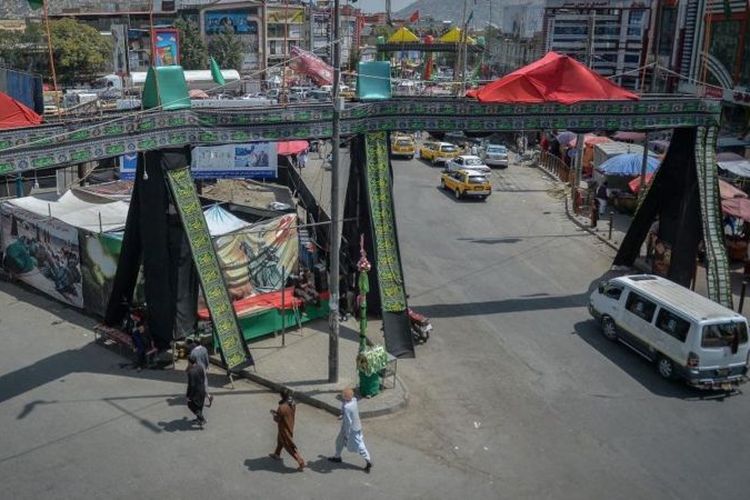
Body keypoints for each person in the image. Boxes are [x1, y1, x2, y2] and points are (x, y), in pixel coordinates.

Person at [328, 388, 372, 473]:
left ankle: (368, 461)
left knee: (359, 445)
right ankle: (337, 456)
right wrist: (342, 415)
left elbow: (348, 422)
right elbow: (347, 414)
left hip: (350, 429)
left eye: (343, 396)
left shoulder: (347, 407)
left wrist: (347, 435)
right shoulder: (354, 400)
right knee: (339, 441)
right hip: (357, 426)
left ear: (345, 397)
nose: (341, 397)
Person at [269, 389, 306, 471]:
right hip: (290, 424)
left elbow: (278, 419)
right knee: (280, 440)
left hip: (284, 428)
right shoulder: (292, 403)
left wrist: (273, 414)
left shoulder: (282, 408)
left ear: (282, 396)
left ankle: (300, 461)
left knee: (288, 445)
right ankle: (277, 454)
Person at [186, 339, 213, 407]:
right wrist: (207, 366)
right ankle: (208, 396)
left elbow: (190, 364)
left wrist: (187, 370)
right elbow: (207, 359)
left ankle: (201, 398)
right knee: (204, 383)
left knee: (196, 384)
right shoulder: (204, 349)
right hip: (203, 369)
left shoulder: (193, 352)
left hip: (196, 370)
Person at [186, 355, 207, 427]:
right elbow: (203, 378)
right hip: (202, 389)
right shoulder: (200, 367)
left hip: (196, 392)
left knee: (191, 405)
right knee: (199, 406)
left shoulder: (191, 372)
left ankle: (201, 419)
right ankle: (198, 418)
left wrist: (189, 396)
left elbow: (191, 385)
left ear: (189, 362)